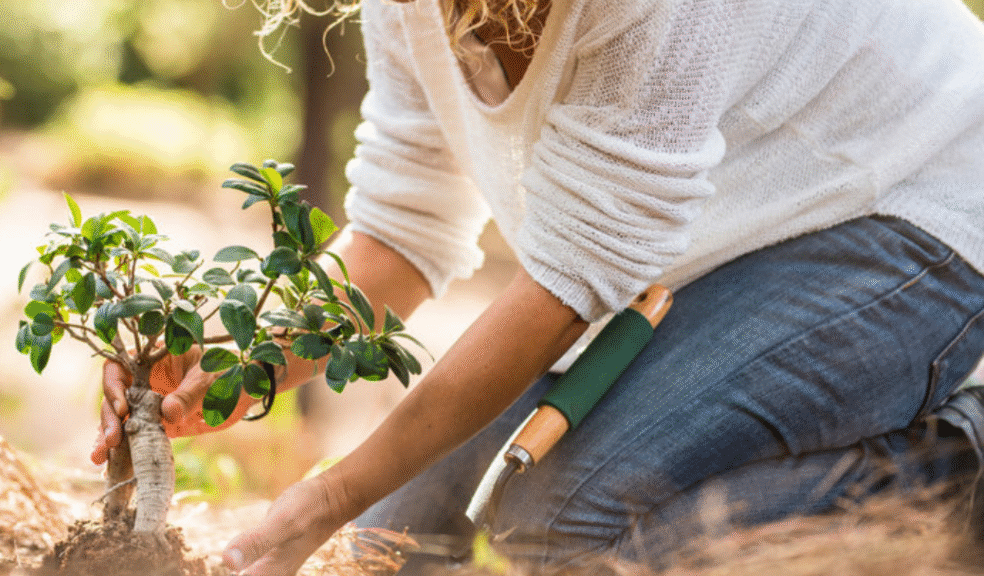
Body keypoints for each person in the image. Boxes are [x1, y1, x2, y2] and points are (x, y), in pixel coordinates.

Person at [93, 0, 984, 574]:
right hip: (724, 242)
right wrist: (237, 364)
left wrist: (323, 499)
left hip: (920, 204)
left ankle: (951, 466)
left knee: (566, 535)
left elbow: (570, 280)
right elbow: (402, 232)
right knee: (393, 549)